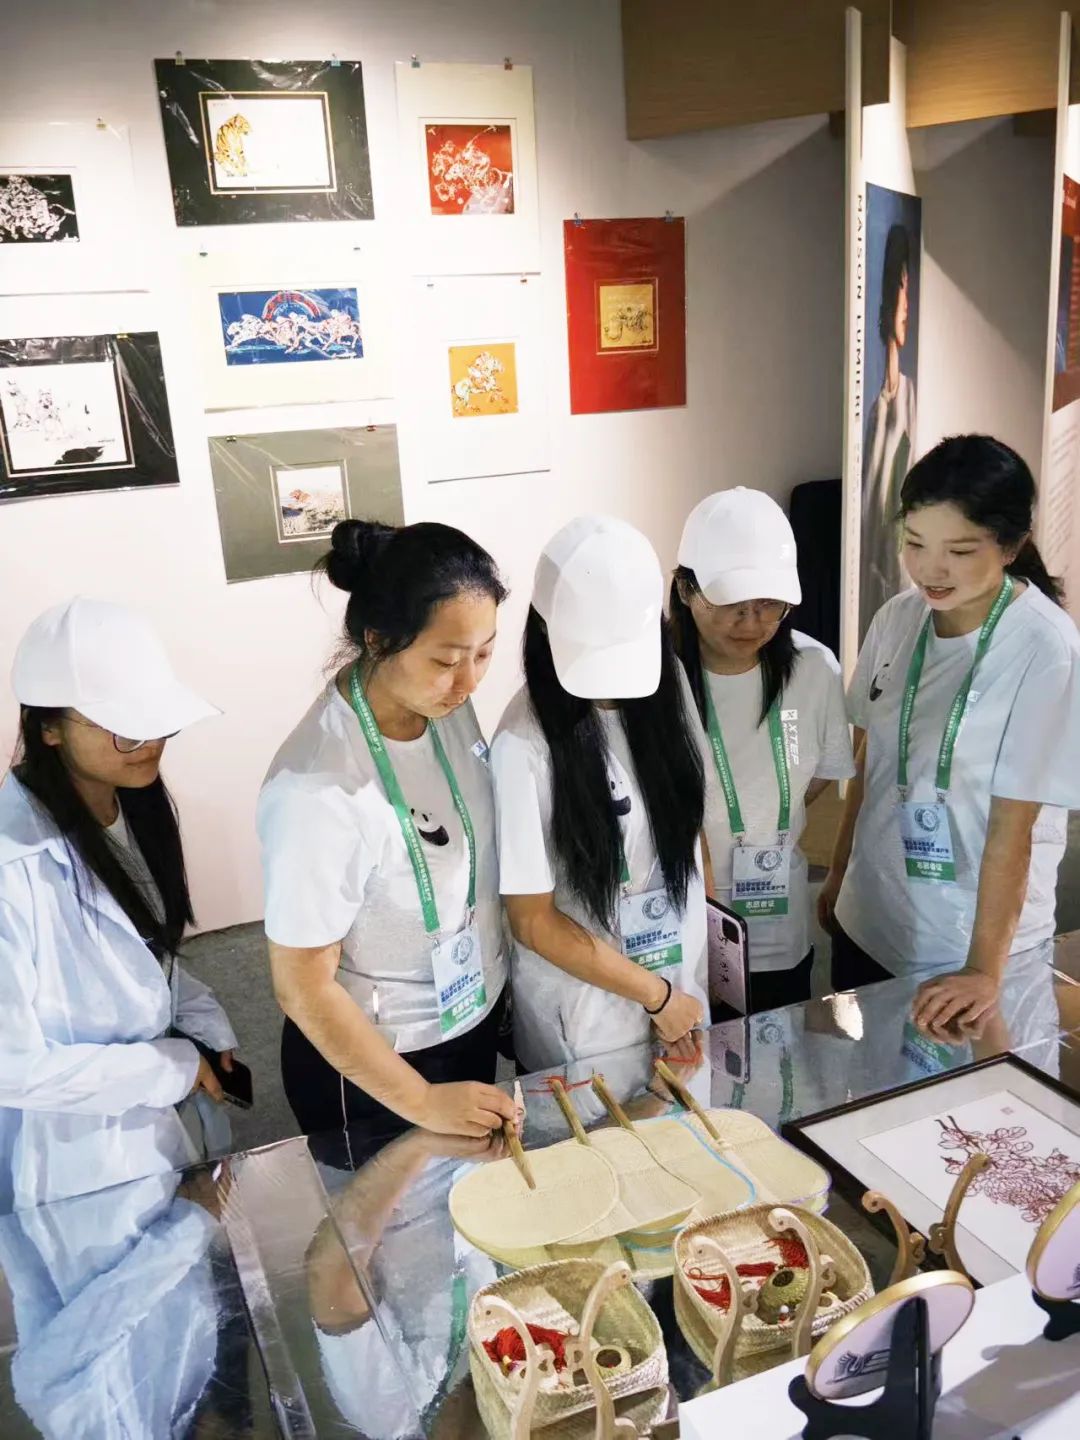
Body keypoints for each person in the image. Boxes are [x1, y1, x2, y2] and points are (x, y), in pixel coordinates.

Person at [258, 520, 516, 1145]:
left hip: (465, 1015)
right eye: (447, 660)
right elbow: (303, 987)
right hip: (380, 1063)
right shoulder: (317, 789)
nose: (470, 682)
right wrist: (421, 1099)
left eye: (484, 653)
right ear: (377, 639)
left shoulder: (442, 705)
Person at [820, 435, 1080, 1031]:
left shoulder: (1043, 648)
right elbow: (871, 759)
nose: (930, 571)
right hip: (870, 922)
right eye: (914, 543)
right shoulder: (898, 618)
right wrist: (840, 872)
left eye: (960, 551)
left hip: (962, 951)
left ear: (1012, 545)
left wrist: (983, 970)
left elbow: (1015, 828)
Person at [0, 598, 236, 1213]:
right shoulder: (12, 867)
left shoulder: (131, 803)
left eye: (158, 721)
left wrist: (201, 1023)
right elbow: (12, 1066)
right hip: (81, 1166)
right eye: (126, 726)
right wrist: (168, 1067)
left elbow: (144, 959)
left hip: (163, 1132)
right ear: (48, 728)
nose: (151, 742)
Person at [490, 515, 709, 1073]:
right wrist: (655, 995)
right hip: (585, 1023)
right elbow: (532, 920)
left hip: (678, 990)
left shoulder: (668, 687)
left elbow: (687, 829)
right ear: (544, 629)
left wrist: (678, 991)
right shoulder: (523, 744)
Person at [671, 488, 855, 1011]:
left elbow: (821, 774)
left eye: (770, 604)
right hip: (684, 928)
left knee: (783, 1047)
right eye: (731, 604)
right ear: (685, 588)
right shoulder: (659, 679)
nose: (751, 623)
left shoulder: (814, 669)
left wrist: (768, 813)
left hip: (782, 922)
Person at [862, 221, 917, 635]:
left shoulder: (908, 397)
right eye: (901, 287)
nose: (907, 304)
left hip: (897, 574)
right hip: (873, 575)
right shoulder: (878, 409)